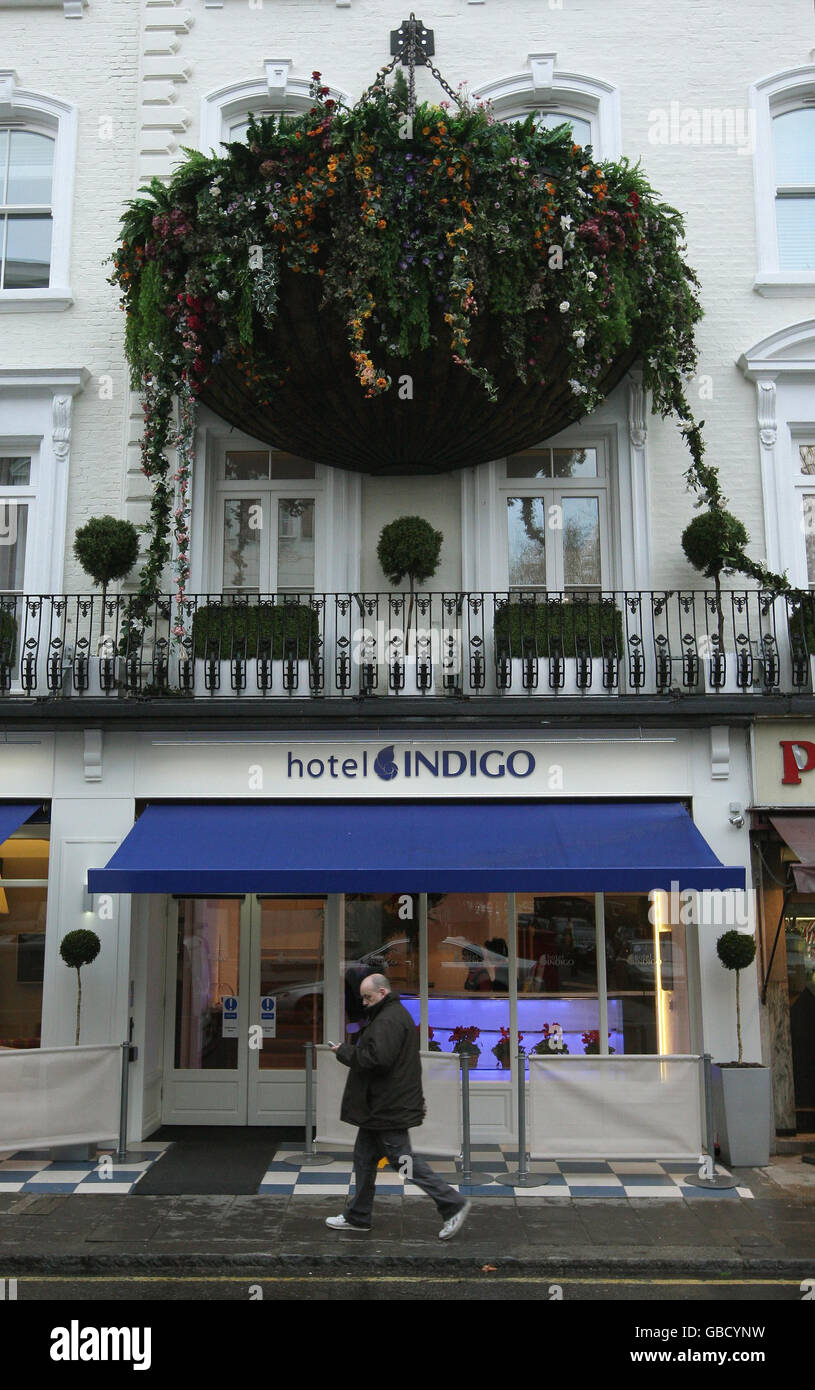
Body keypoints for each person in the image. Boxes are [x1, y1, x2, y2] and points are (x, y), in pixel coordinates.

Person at [326, 973, 472, 1239]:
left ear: (382, 993)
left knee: (404, 1162)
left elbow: (376, 1060)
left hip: (387, 1108)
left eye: (368, 997)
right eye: (362, 997)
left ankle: (453, 1203)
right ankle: (358, 1216)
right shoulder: (390, 1015)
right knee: (364, 1159)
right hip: (380, 1107)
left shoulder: (388, 1020)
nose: (364, 1002)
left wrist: (344, 1052)